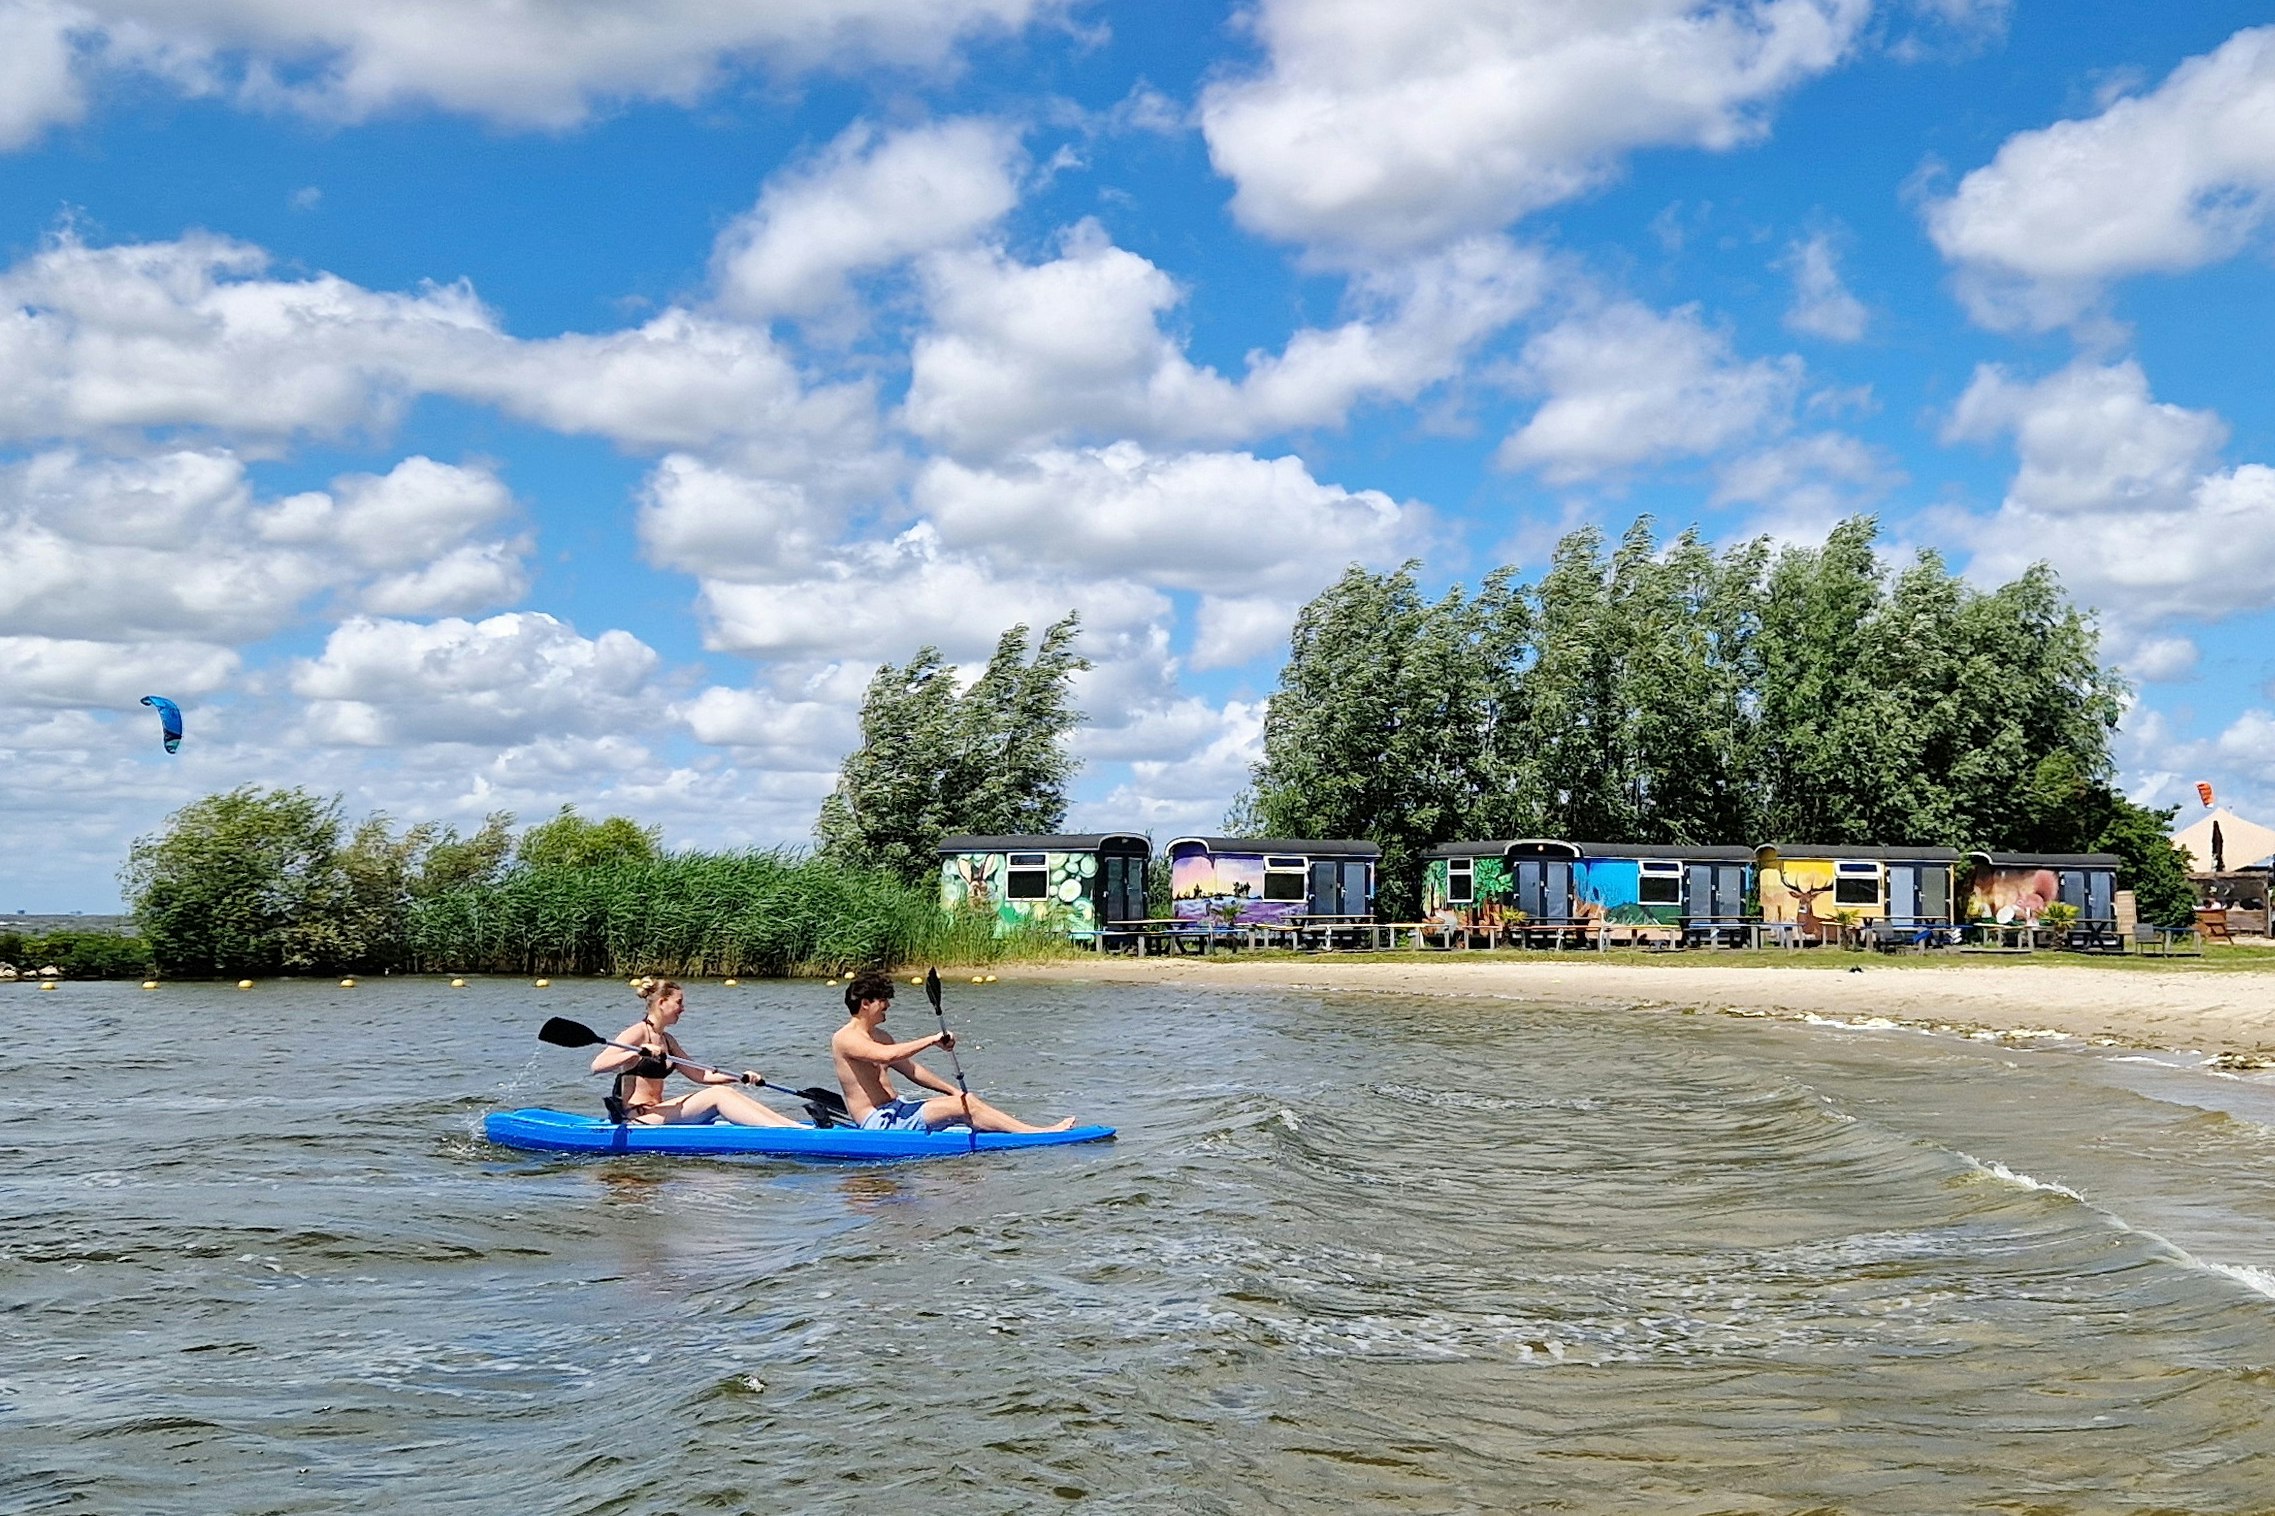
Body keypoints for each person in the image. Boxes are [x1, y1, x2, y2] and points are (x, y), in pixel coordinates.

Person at [831, 971, 1074, 1134]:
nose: (888, 1006)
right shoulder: (846, 1039)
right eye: (883, 1001)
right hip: (879, 1123)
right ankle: (1036, 1133)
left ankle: (1002, 1129)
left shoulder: (881, 1036)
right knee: (965, 1107)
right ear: (865, 1004)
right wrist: (932, 1040)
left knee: (965, 1102)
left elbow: (913, 1070)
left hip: (898, 1109)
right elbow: (887, 1056)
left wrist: (953, 1091)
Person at [592, 978, 800, 1126]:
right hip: (637, 1116)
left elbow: (700, 1074)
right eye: (679, 1003)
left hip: (658, 1109)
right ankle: (784, 1132)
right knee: (718, 1095)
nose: (683, 1009)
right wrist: (637, 1052)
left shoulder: (668, 1040)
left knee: (725, 1091)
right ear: (662, 1003)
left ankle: (792, 1127)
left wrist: (741, 1077)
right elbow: (597, 1066)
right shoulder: (637, 1033)